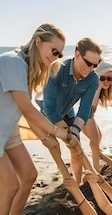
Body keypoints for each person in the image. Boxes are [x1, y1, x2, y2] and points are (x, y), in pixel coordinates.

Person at [0, 24, 69, 215]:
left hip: (5, 128)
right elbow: (28, 109)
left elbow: (22, 113)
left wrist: (45, 138)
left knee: (29, 174)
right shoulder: (12, 62)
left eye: (60, 53)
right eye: (54, 50)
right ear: (38, 42)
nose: (56, 57)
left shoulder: (27, 68)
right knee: (8, 185)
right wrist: (57, 133)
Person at [42, 37, 102, 183]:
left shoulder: (93, 79)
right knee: (55, 148)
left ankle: (77, 183)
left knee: (76, 149)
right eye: (88, 63)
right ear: (77, 55)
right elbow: (48, 107)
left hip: (68, 112)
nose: (90, 69)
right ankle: (65, 179)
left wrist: (74, 132)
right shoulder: (57, 68)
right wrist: (65, 131)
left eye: (95, 65)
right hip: (44, 114)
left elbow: (84, 111)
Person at [88, 60, 112, 165]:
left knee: (98, 137)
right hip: (83, 115)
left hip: (89, 115)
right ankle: (97, 171)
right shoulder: (94, 88)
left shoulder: (99, 88)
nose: (106, 81)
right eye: (102, 78)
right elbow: (89, 107)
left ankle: (100, 160)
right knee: (95, 142)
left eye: (110, 78)